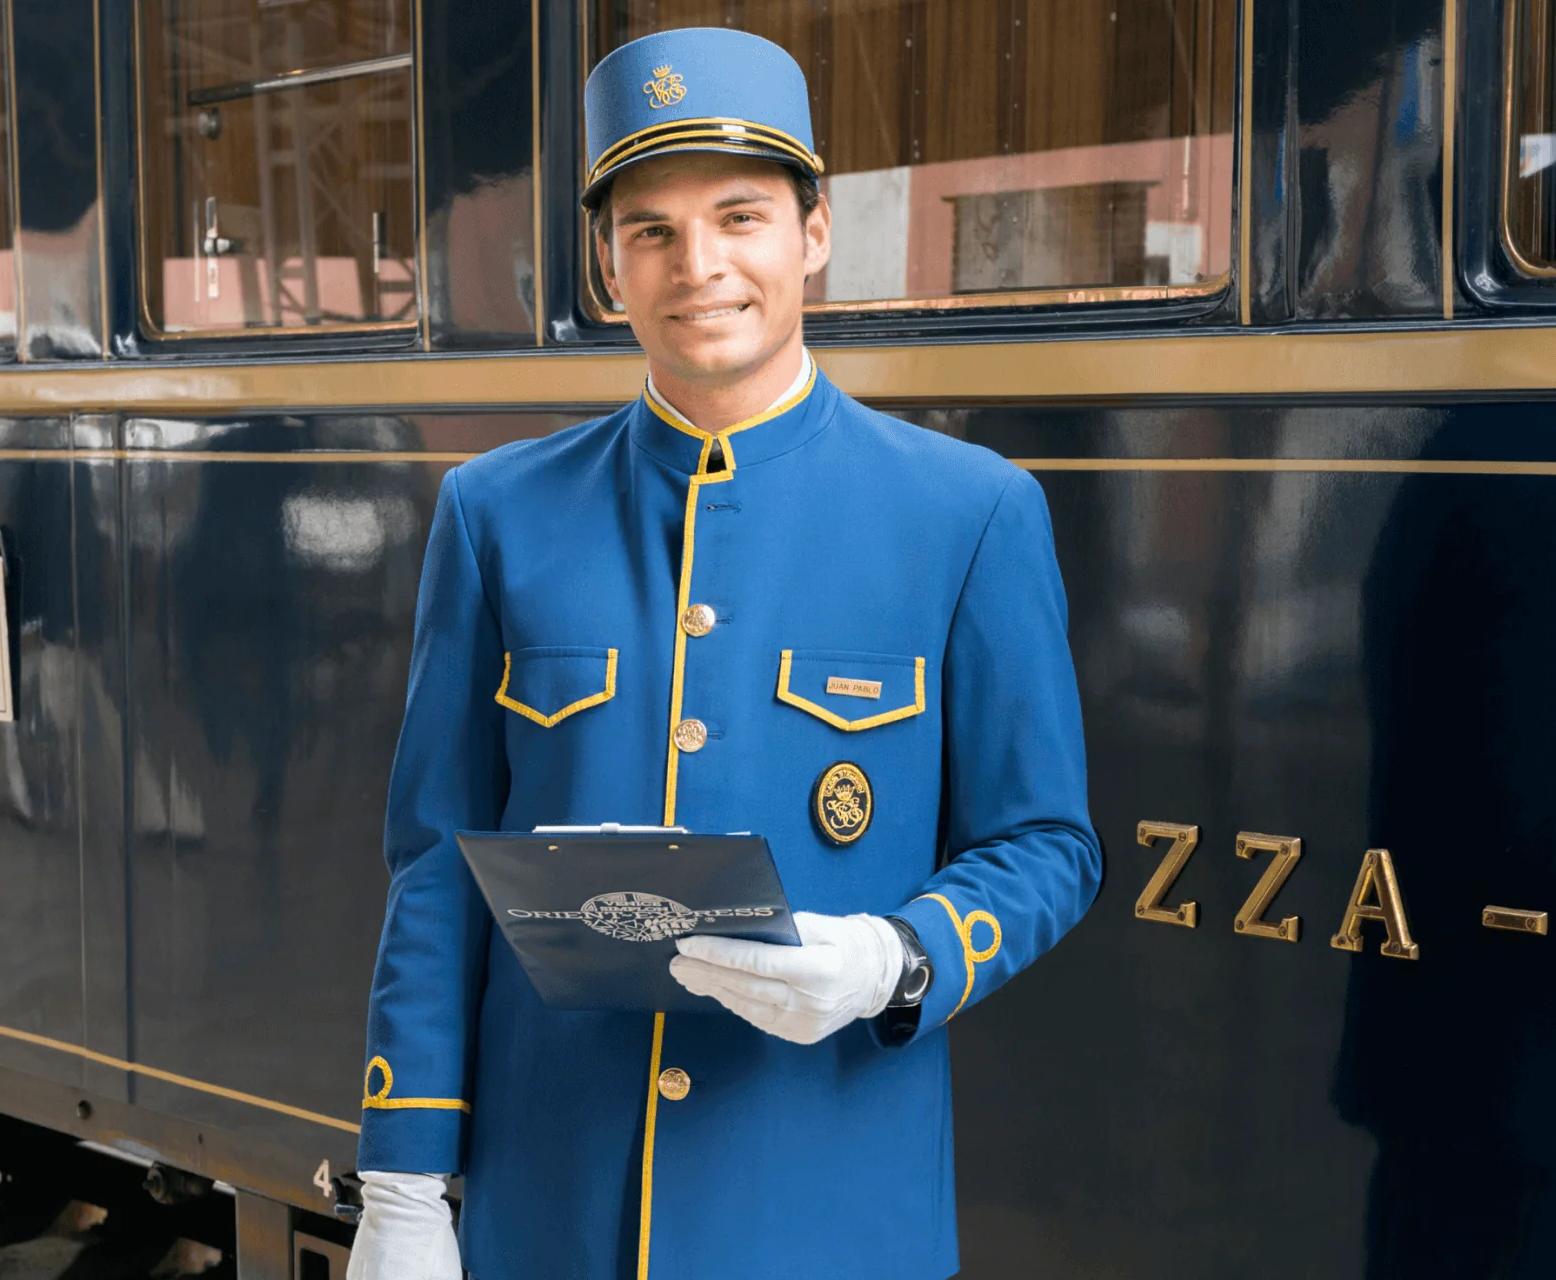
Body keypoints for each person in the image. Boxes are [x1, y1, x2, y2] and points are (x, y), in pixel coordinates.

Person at [346, 27, 1102, 1280]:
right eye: (650, 230)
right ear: (606, 263)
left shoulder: (966, 513)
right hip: (556, 1203)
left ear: (812, 233)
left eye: (740, 216)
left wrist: (897, 955)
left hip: (821, 1203)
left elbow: (1048, 844)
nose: (699, 267)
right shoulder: (495, 512)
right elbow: (435, 863)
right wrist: (405, 1178)